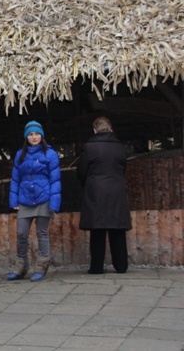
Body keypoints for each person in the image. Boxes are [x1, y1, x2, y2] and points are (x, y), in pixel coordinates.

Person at [7, 120, 61, 282]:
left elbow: (55, 179)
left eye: (37, 134)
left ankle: (41, 266)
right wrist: (13, 200)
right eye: (30, 134)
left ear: (42, 135)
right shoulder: (20, 154)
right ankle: (20, 266)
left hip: (43, 197)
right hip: (24, 198)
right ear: (26, 137)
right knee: (21, 233)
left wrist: (54, 202)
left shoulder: (50, 154)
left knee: (42, 233)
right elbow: (15, 179)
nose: (34, 137)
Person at [77, 116, 131, 274]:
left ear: (95, 130)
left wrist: (88, 184)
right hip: (117, 190)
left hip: (95, 191)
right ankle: (121, 266)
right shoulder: (121, 147)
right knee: (117, 229)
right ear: (111, 129)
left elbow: (81, 171)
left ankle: (96, 267)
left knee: (97, 230)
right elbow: (123, 169)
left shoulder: (88, 147)